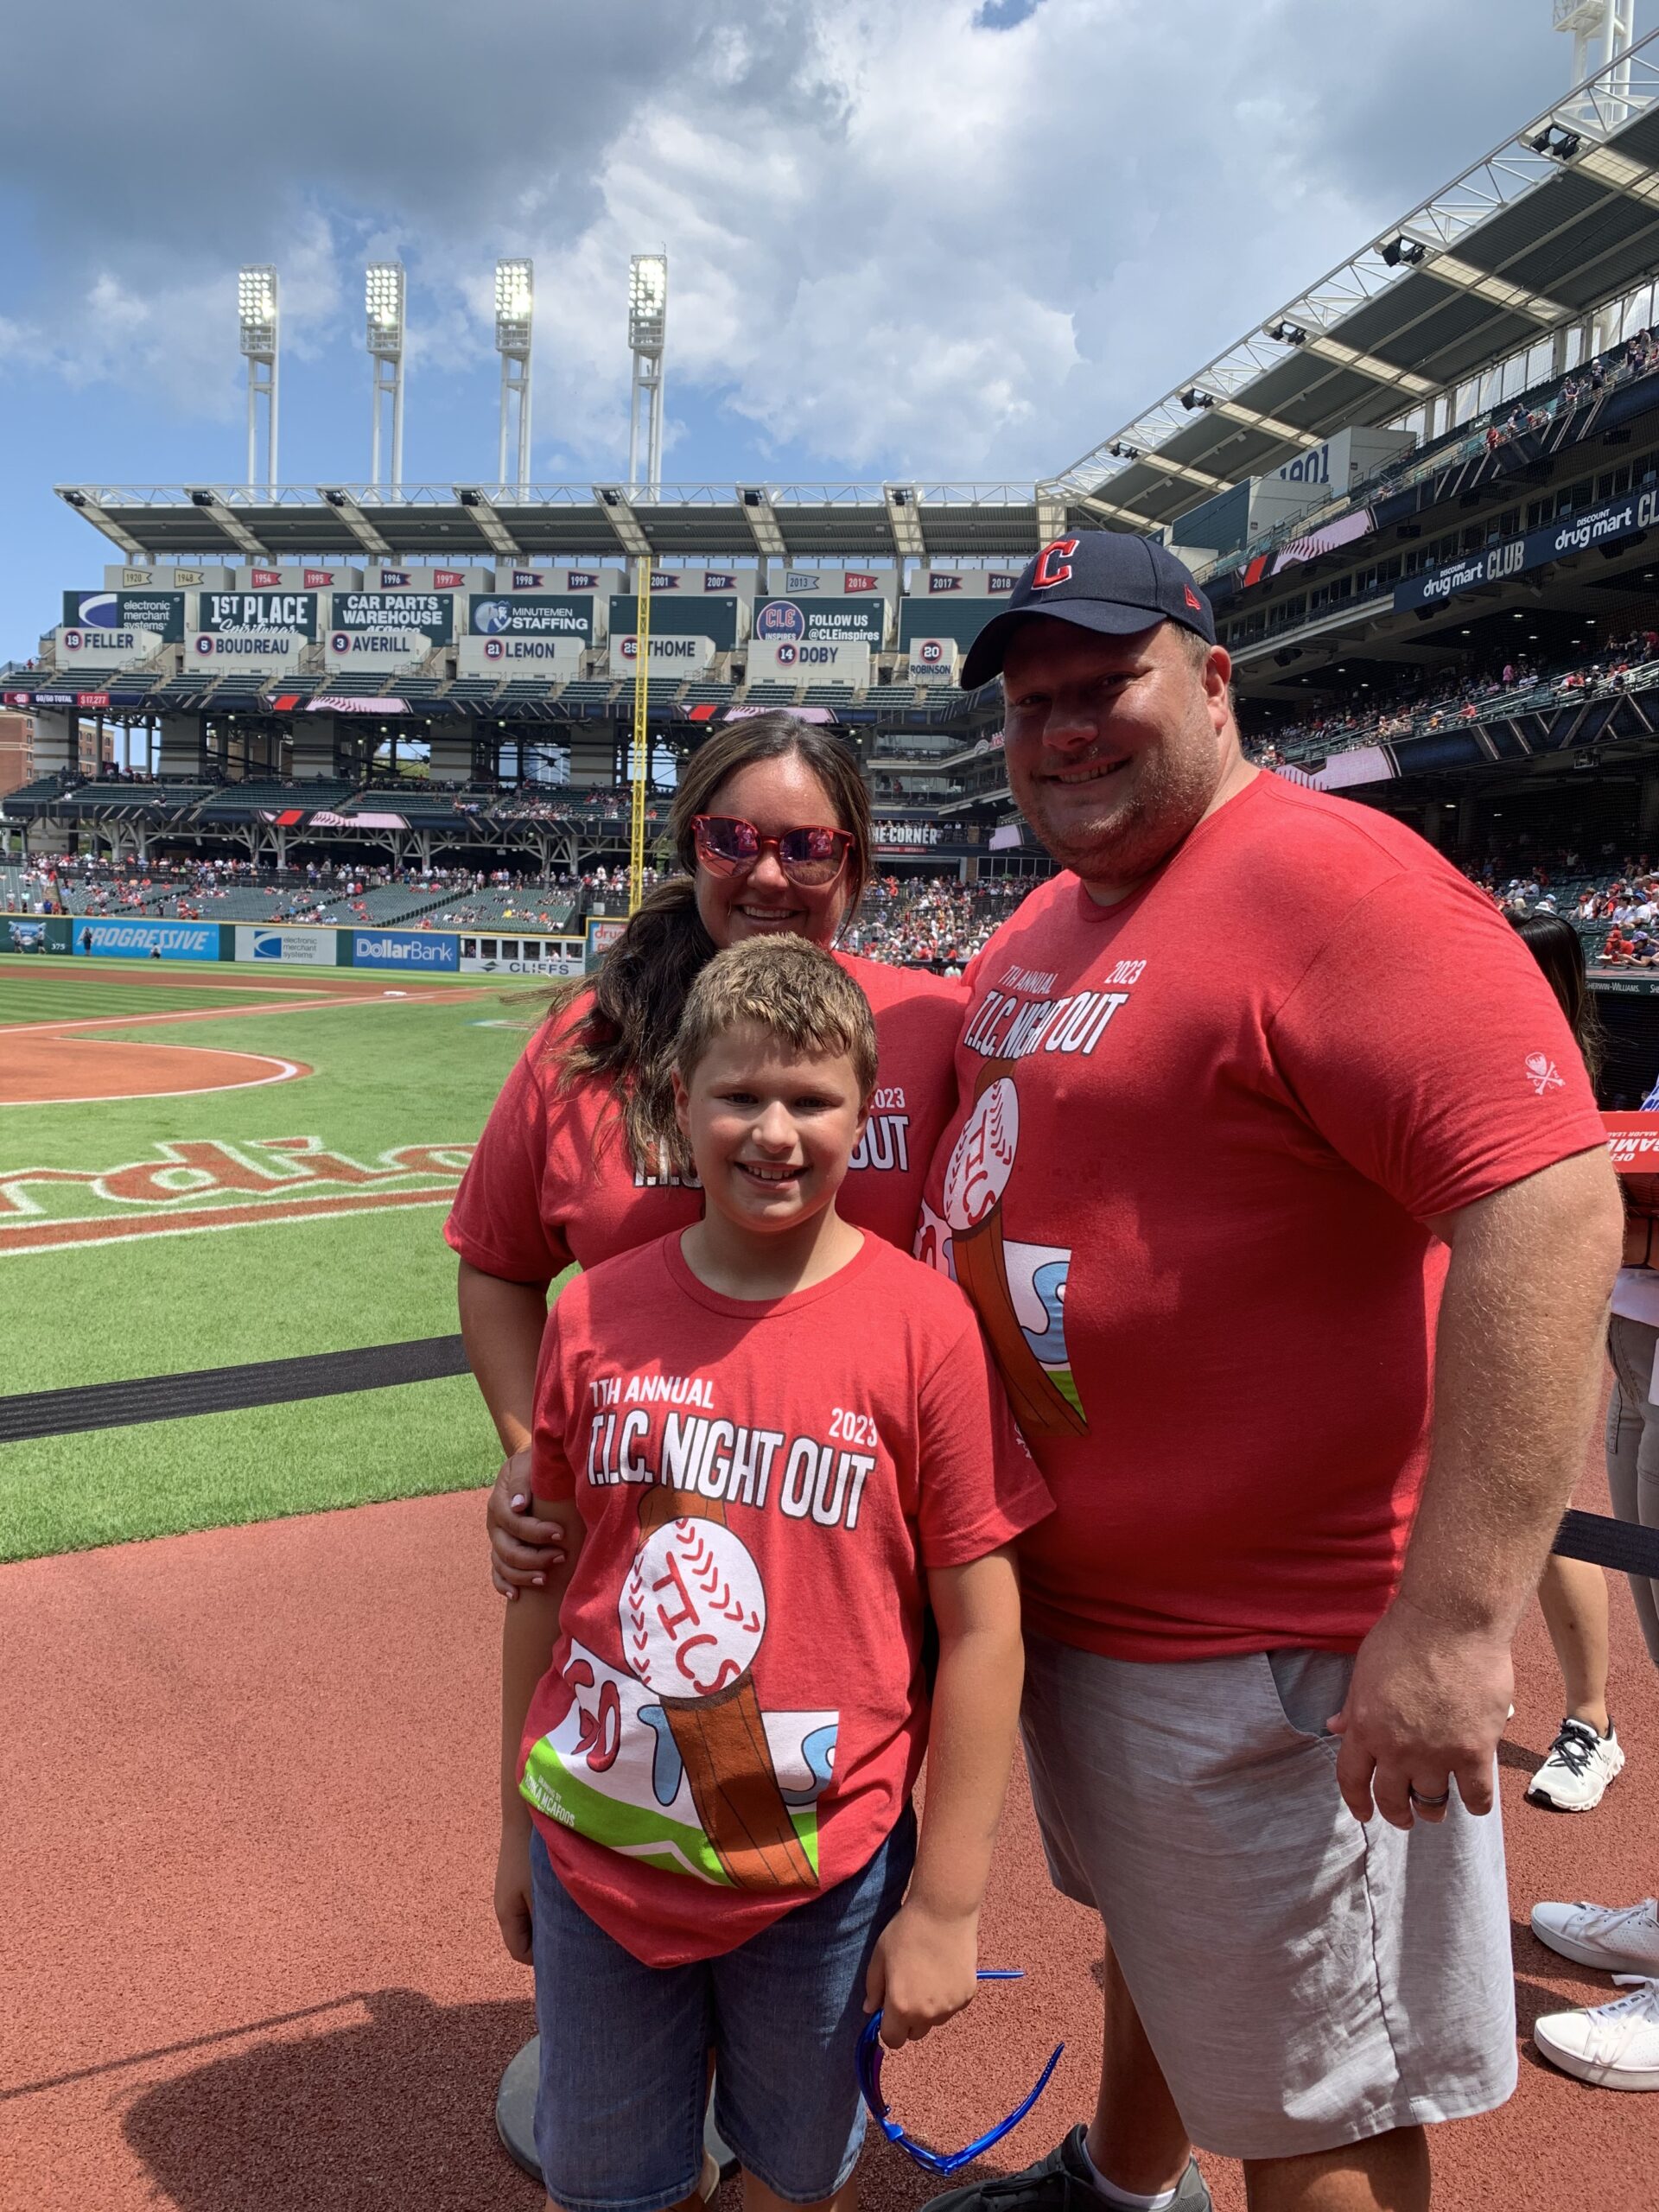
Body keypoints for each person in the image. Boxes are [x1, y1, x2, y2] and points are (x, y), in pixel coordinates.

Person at [912, 534, 1620, 2212]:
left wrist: (1452, 1621)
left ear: (1214, 681)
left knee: (1319, 2102)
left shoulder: (1330, 882)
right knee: (1165, 1951)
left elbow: (1548, 1200)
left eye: (1106, 685)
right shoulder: (1056, 916)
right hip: (1108, 1621)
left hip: (1277, 1665)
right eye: (1034, 704)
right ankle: (1119, 2184)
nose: (1066, 729)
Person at [493, 936, 1051, 2212]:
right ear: (677, 1104)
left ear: (868, 1111)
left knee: (792, 2179)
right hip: (600, 1852)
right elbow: (547, 1584)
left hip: (816, 1877)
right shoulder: (593, 1315)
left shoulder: (923, 1330)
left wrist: (950, 1902)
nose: (775, 1133)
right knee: (608, 2185)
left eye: (812, 1100)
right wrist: (510, 1832)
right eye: (740, 1095)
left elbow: (984, 1627)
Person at [448, 713, 967, 1596]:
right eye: (732, 839)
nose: (768, 873)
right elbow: (497, 1267)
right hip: (641, 1557)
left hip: (858, 1551)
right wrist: (539, 1458)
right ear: (693, 848)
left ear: (854, 867)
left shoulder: (933, 1029)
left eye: (807, 846)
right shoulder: (591, 1039)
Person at [1509, 912, 1624, 1812]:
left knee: (1547, 1514)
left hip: (1542, 1311)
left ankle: (1591, 1720)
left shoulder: (1560, 1068)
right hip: (1453, 1306)